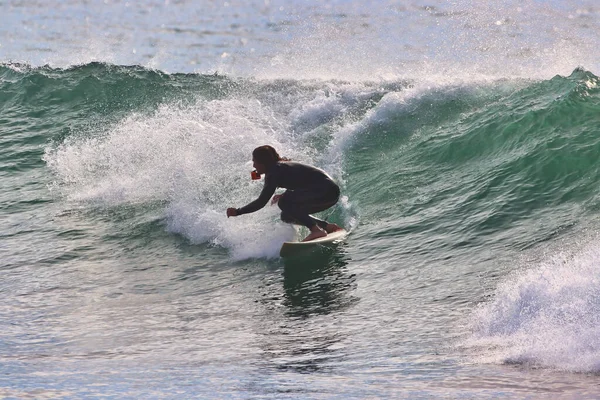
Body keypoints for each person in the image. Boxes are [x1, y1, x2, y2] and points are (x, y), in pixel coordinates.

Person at [226, 145, 342, 241]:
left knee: (284, 203)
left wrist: (238, 211)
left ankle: (316, 231)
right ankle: (327, 227)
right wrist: (287, 194)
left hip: (325, 190)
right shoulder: (279, 167)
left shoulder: (274, 171)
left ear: (263, 162)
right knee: (287, 215)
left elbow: (261, 202)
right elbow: (301, 180)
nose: (254, 166)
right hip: (328, 193)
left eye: (255, 162)